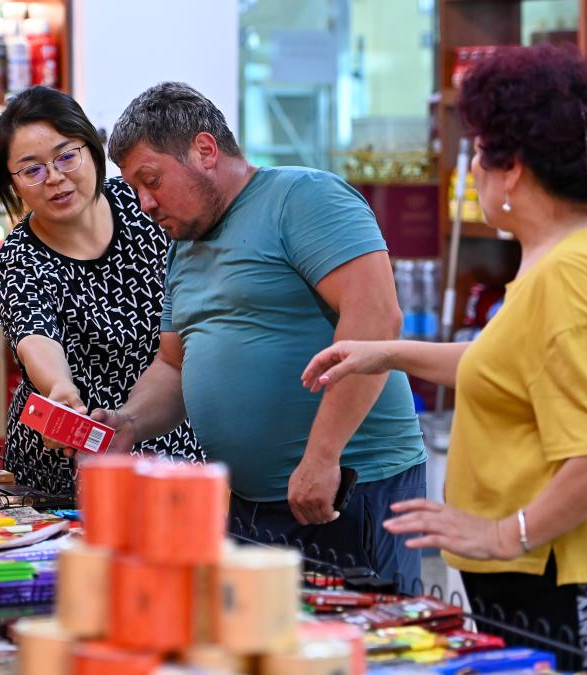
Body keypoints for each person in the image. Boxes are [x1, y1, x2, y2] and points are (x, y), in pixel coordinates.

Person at [302, 44, 587, 670]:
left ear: (515, 168)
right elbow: (509, 365)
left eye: (479, 152)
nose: (473, 169)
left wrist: (504, 534)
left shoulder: (568, 274)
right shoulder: (585, 244)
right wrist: (386, 353)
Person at [92, 82, 427, 586]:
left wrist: (323, 455)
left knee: (363, 636)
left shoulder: (303, 197)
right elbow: (173, 366)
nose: (145, 204)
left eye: (152, 180)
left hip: (349, 489)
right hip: (252, 506)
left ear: (205, 151)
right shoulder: (184, 247)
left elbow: (376, 319)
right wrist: (130, 422)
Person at [0, 86, 200, 496]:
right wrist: (59, 389)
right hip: (68, 466)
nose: (54, 178)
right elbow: (34, 337)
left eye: (67, 156)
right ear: (13, 185)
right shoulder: (20, 257)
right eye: (32, 170)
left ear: (92, 148)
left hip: (168, 443)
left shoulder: (143, 206)